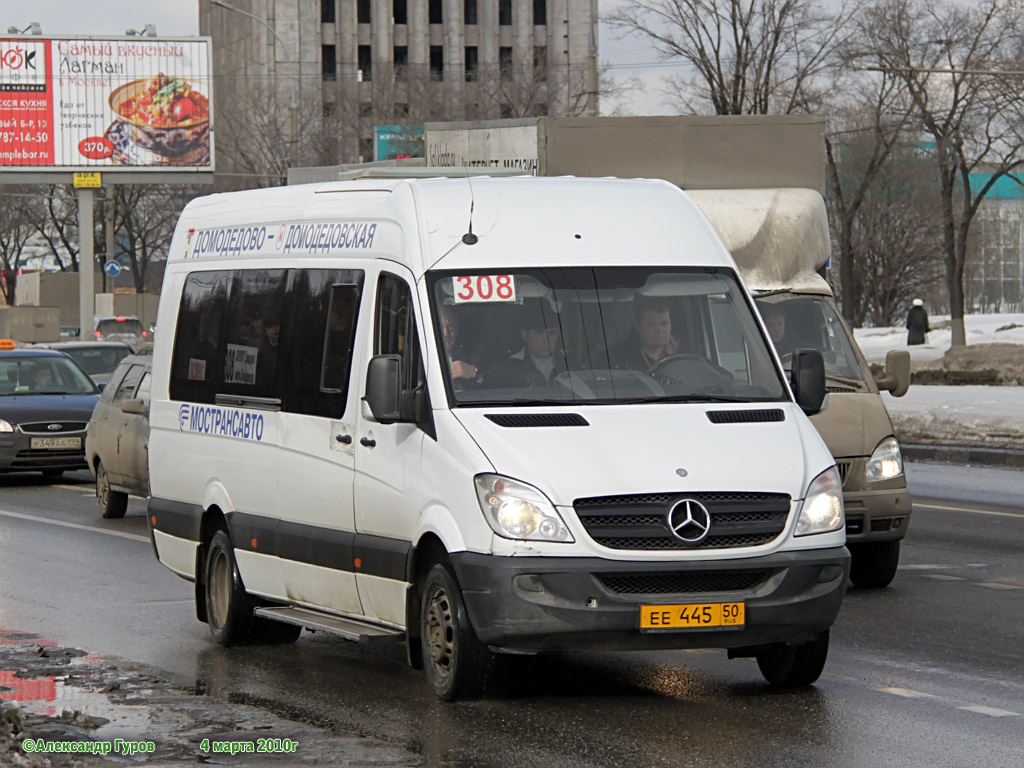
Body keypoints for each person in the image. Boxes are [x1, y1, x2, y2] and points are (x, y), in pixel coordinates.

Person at [491, 301, 569, 388]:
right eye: (539, 333)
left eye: (552, 333)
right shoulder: (507, 369)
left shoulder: (572, 363)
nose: (546, 340)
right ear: (525, 335)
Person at [608, 299, 679, 372]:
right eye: (652, 324)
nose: (660, 329)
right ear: (637, 327)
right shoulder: (614, 357)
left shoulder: (684, 353)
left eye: (664, 323)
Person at [439, 304, 483, 389]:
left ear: (458, 327)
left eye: (450, 327)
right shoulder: (419, 357)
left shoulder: (472, 353)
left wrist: (475, 373)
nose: (446, 333)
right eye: (441, 326)